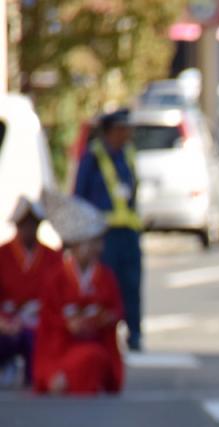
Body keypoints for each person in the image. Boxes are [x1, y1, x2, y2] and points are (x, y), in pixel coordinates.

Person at [32, 190, 124, 396]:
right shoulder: (56, 278)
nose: (98, 248)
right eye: (92, 242)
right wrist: (68, 324)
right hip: (62, 346)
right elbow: (48, 319)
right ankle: (60, 375)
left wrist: (101, 319)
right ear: (76, 245)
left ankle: (71, 378)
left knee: (93, 357)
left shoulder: (105, 276)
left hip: (95, 342)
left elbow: (115, 311)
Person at [74, 108, 143, 351]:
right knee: (106, 284)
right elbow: (79, 196)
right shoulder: (93, 157)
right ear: (109, 132)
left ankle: (135, 333)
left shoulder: (129, 155)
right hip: (104, 235)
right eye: (121, 130)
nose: (126, 134)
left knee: (131, 284)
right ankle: (106, 332)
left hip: (129, 232)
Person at [0, 196, 62, 387]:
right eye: (24, 225)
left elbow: (58, 297)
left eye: (32, 225)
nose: (28, 230)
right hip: (8, 319)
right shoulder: (3, 254)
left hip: (39, 319)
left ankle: (35, 372)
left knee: (37, 342)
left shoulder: (52, 256)